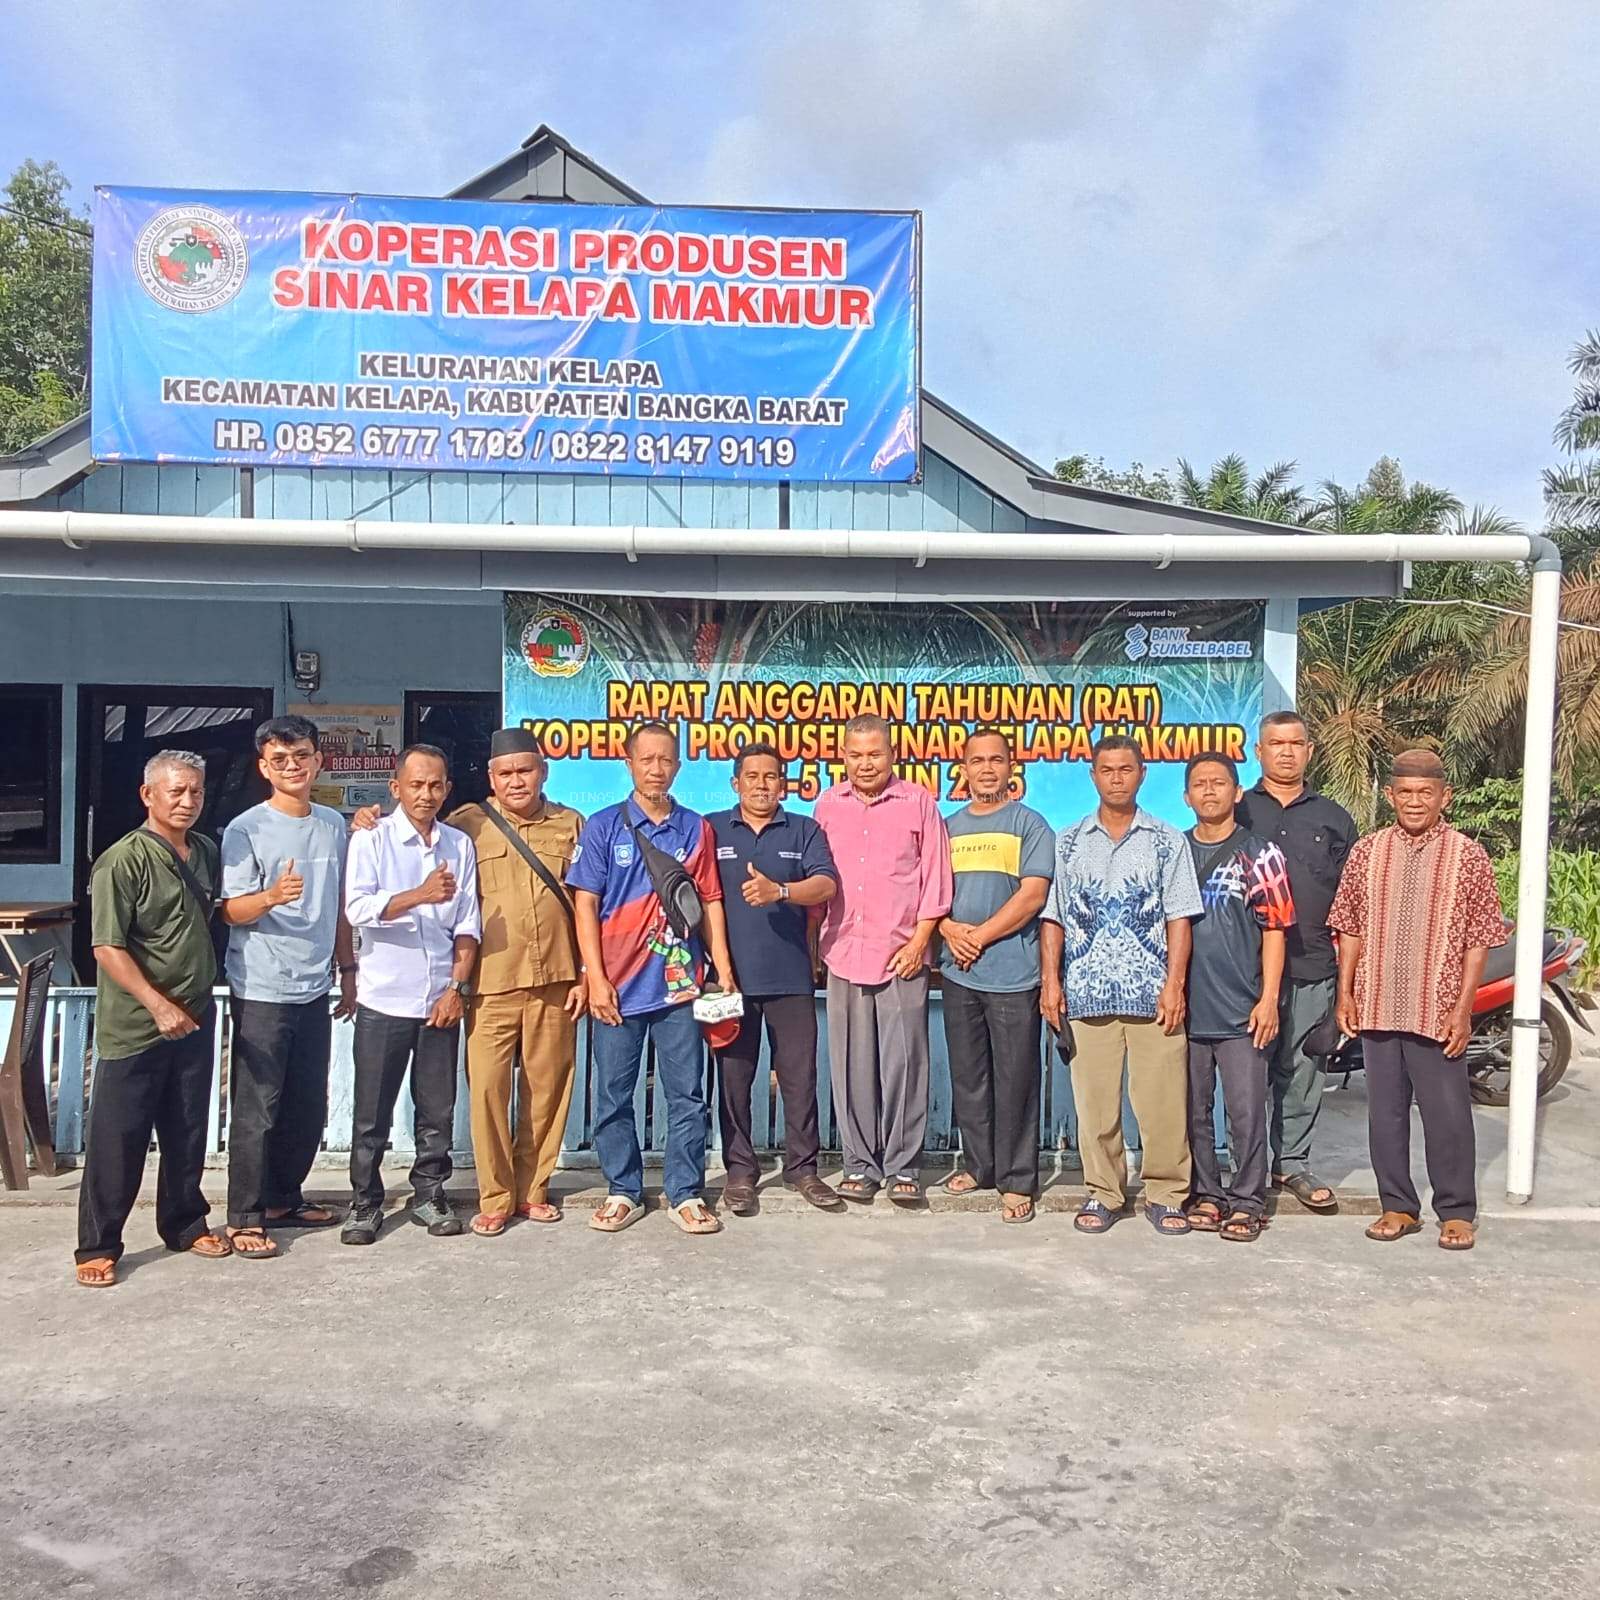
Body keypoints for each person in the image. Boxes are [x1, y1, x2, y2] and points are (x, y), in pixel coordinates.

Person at [352, 729, 587, 1237]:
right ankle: (496, 1196)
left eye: (526, 771)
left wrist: (587, 972)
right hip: (490, 982)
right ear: (491, 778)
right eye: (506, 773)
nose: (517, 781)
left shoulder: (571, 824)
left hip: (556, 977)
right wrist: (368, 816)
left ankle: (534, 1190)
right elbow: (416, 833)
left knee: (547, 1091)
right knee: (487, 1093)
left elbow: (590, 903)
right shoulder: (465, 827)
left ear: (543, 772)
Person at [1328, 749, 1505, 1251]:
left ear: (1444, 796)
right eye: (1405, 792)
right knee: (1384, 1114)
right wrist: (1346, 992)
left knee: (1447, 1114)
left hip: (1437, 1008)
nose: (1414, 801)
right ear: (1390, 795)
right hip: (1378, 1004)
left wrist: (1463, 1009)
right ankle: (1397, 1206)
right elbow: (1350, 927)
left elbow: (1479, 939)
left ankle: (1456, 1211)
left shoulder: (1468, 856)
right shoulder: (1367, 852)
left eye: (1425, 792)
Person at [568, 721, 736, 1236]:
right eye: (647, 760)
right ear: (629, 764)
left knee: (687, 1095)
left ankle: (685, 1193)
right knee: (614, 1096)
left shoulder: (695, 828)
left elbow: (711, 901)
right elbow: (585, 904)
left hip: (680, 987)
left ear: (678, 766)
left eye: (666, 760)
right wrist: (595, 977)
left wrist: (723, 967)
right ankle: (623, 1190)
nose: (656, 769)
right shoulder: (604, 827)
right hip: (618, 988)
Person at [74, 751, 232, 1287]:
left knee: (187, 1127)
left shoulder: (204, 851)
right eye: (176, 791)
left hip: (194, 1015)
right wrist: (156, 1004)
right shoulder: (123, 860)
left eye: (196, 792)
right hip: (137, 1024)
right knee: (119, 1138)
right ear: (148, 795)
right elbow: (107, 947)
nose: (188, 801)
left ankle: (185, 1224)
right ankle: (99, 1244)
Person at [1040, 735, 1203, 1237]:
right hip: (1086, 992)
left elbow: (1179, 916)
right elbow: (1054, 917)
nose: (1116, 778)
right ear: (1093, 776)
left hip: (1153, 995)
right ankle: (1104, 1192)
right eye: (1107, 770)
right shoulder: (1068, 841)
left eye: (1125, 769)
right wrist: (1051, 982)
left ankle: (1166, 1194)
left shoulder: (1166, 840)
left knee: (1162, 1102)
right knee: (1095, 1106)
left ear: (1142, 774)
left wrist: (1175, 985)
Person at [216, 715, 355, 1260]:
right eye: (280, 759)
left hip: (314, 984)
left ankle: (283, 1199)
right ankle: (245, 1215)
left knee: (305, 1102)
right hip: (262, 985)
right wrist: (272, 896)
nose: (292, 767)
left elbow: (340, 905)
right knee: (258, 1106)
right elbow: (230, 910)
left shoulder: (333, 824)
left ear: (319, 761)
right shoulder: (245, 829)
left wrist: (347, 970)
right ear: (263, 767)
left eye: (301, 757)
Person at [341, 744, 481, 1244]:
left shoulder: (458, 845)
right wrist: (418, 895)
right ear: (395, 787)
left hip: (439, 997)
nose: (426, 794)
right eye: (416, 784)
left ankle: (429, 1194)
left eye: (436, 785)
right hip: (384, 998)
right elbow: (357, 908)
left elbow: (468, 924)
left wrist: (456, 987)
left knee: (437, 1110)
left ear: (447, 789)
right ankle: (365, 1203)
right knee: (371, 1113)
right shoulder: (372, 838)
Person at [814, 713, 953, 1205]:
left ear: (893, 754)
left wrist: (920, 943)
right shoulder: (827, 805)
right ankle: (859, 1165)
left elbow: (936, 879)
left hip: (902, 955)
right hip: (843, 952)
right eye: (856, 755)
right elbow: (817, 878)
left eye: (875, 753)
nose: (866, 763)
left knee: (905, 1065)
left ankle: (903, 1167)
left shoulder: (919, 803)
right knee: (850, 1066)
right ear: (843, 757)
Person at [709, 742, 841, 1215]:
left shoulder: (804, 829)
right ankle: (740, 1172)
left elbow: (826, 884)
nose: (762, 785)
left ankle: (803, 1169)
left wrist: (781, 891)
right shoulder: (712, 828)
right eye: (752, 776)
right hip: (729, 981)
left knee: (799, 1079)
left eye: (771, 776)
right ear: (736, 783)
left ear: (783, 784)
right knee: (734, 1080)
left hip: (791, 979)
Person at [1235, 711, 1357, 1213]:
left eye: (1295, 743)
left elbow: (1353, 904)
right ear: (1258, 752)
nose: (1286, 752)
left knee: (1302, 1070)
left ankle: (1291, 1163)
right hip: (1244, 969)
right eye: (1275, 743)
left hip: (1311, 965)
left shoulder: (1334, 819)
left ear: (1309, 751)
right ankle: (1243, 1170)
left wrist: (1348, 984)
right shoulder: (1238, 811)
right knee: (1245, 1074)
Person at [937, 727, 1053, 1224]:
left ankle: (1017, 1179)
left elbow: (1032, 896)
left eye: (996, 760)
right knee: (969, 1078)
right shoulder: (946, 828)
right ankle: (979, 1166)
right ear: (963, 769)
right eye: (977, 761)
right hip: (958, 973)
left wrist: (979, 936)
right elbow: (928, 894)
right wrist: (946, 928)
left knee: (1016, 1081)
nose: (986, 769)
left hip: (1012, 975)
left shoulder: (1030, 825)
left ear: (1011, 767)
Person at [1182, 753, 1297, 1243]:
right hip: (1185, 1010)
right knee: (1193, 1111)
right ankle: (1207, 1193)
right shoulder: (1174, 852)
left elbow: (1275, 930)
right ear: (1186, 796)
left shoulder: (1261, 854)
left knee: (1246, 1112)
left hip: (1242, 1009)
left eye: (1219, 783)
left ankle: (1248, 1200)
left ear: (1236, 792)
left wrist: (1268, 999)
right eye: (1200, 784)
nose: (1209, 791)